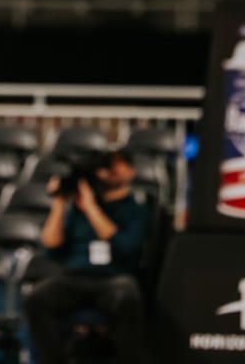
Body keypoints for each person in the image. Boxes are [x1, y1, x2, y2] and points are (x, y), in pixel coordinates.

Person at [25, 149, 149, 364]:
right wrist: (59, 203)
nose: (109, 172)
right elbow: (51, 247)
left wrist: (91, 207)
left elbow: (125, 247)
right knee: (36, 298)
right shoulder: (77, 208)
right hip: (74, 277)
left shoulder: (135, 209)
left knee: (127, 296)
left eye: (117, 166)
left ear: (131, 172)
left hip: (113, 279)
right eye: (107, 167)